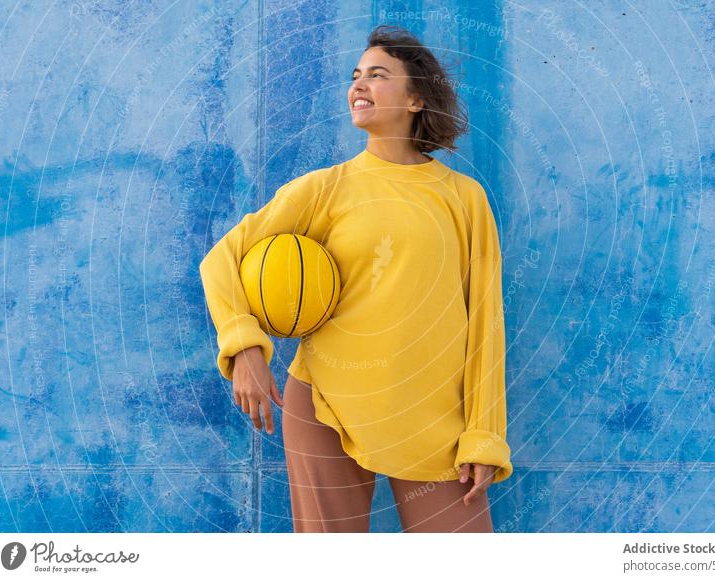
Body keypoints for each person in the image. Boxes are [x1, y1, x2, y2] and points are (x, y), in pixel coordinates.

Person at [199, 25, 513, 533]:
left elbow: (485, 326)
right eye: (356, 75)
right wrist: (245, 349)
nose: (359, 85)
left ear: (415, 98)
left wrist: (483, 434)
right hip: (323, 405)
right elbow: (222, 259)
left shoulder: (463, 198)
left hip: (432, 422)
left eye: (378, 75)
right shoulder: (324, 189)